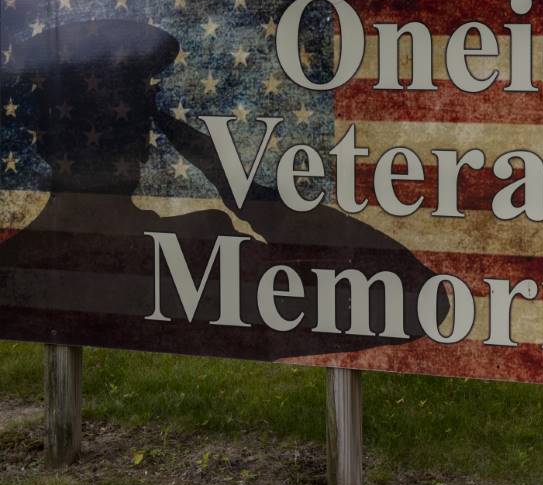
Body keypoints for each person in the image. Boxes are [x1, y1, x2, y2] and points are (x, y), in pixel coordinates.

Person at [0, 20, 447, 360]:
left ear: (44, 140)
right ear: (145, 142)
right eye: (139, 116)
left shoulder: (14, 269)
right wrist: (240, 183)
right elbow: (416, 299)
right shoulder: (197, 253)